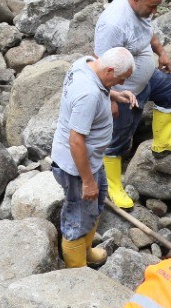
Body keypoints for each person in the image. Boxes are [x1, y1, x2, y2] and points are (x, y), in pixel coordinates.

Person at [92, 0, 171, 211]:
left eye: (158, 6)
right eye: (152, 7)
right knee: (118, 139)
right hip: (123, 91)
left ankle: (162, 141)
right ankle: (113, 186)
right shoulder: (114, 24)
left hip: (145, 81)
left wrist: (162, 52)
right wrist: (110, 99)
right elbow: (100, 66)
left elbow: (149, 33)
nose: (155, 12)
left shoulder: (142, 11)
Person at [51, 47, 136, 269]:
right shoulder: (88, 94)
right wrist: (87, 181)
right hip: (76, 168)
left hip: (92, 161)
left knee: (96, 203)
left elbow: (102, 87)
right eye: (120, 79)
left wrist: (115, 95)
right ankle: (77, 272)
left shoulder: (87, 63)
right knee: (77, 219)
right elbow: (76, 141)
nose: (121, 83)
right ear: (109, 70)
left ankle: (86, 251)